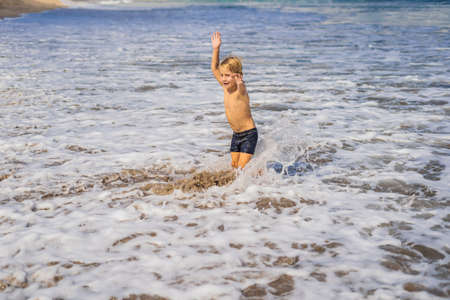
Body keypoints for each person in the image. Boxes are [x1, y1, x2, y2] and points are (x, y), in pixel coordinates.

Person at [210, 32, 258, 170]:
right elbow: (214, 68)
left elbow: (242, 87)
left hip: (249, 134)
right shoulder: (226, 87)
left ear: (237, 76)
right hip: (236, 135)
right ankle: (259, 175)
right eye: (223, 75)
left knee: (241, 169)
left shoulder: (240, 90)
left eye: (228, 76)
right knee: (234, 166)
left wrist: (240, 83)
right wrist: (216, 49)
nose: (224, 78)